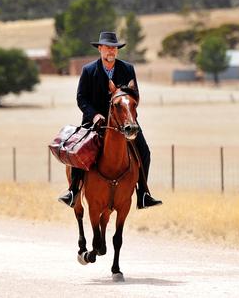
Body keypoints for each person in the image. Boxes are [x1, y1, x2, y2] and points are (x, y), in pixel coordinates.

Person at [58, 31, 162, 209]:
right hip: (95, 121)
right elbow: (81, 98)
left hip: (124, 120)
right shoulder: (88, 70)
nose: (111, 51)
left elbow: (135, 95)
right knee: (79, 150)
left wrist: (127, 109)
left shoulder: (128, 69)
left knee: (144, 151)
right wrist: (94, 115)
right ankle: (73, 191)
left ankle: (143, 193)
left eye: (114, 48)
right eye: (107, 47)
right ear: (100, 49)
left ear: (117, 51)